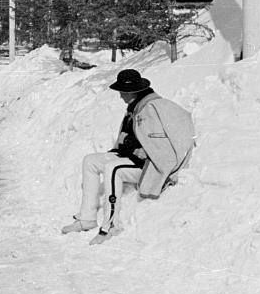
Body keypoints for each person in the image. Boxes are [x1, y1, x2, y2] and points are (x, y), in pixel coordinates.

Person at [61, 67, 195, 244]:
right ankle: (87, 218)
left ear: (132, 92)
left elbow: (158, 145)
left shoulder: (151, 109)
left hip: (148, 165)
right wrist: (126, 144)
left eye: (122, 92)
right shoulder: (136, 108)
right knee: (90, 161)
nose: (120, 96)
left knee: (113, 169)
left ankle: (110, 226)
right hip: (131, 157)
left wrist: (132, 145)